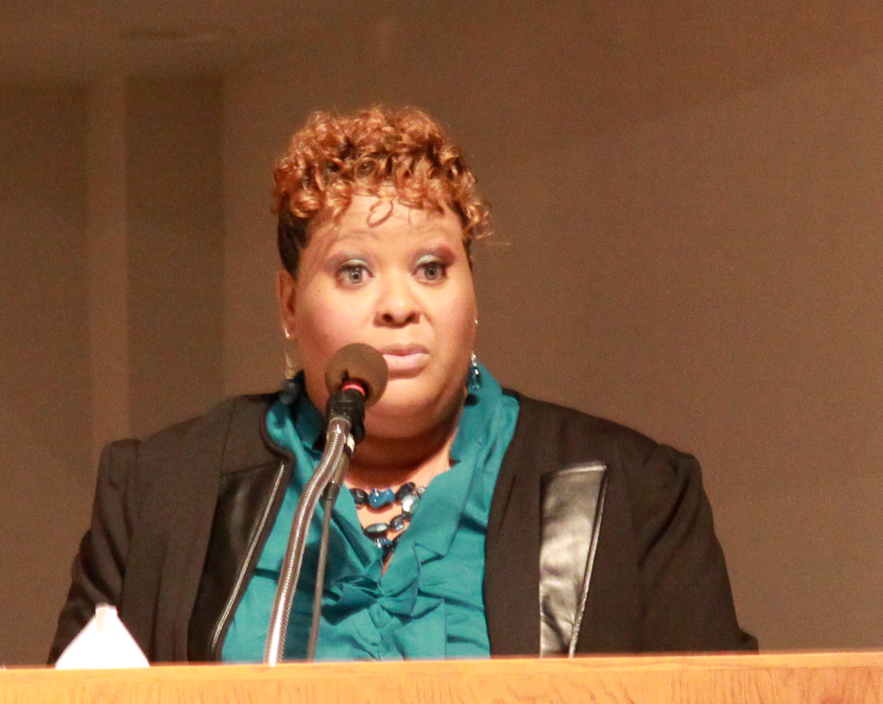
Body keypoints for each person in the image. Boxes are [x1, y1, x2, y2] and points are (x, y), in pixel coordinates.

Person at [48, 106, 755, 663]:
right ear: (289, 304)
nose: (398, 305)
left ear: (472, 296)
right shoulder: (163, 492)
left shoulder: (633, 492)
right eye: (354, 272)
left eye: (432, 269)